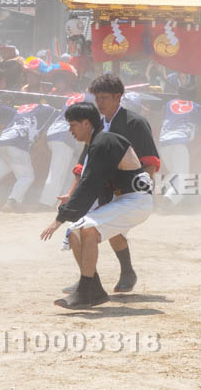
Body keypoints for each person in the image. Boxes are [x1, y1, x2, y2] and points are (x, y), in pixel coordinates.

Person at [40, 102, 153, 308]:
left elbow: (90, 184)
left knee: (86, 229)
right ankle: (94, 288)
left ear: (86, 123)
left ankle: (86, 291)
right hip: (123, 201)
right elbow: (91, 183)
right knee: (74, 231)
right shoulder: (96, 144)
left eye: (73, 125)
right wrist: (72, 203)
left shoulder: (104, 142)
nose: (70, 130)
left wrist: (59, 219)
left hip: (135, 200)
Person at [64, 74, 161, 294]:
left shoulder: (135, 122)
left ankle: (125, 272)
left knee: (107, 230)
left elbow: (150, 161)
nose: (100, 103)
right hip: (99, 188)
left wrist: (141, 192)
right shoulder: (96, 126)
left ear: (118, 97)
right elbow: (84, 164)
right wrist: (72, 193)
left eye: (105, 97)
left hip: (128, 190)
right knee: (82, 231)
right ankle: (88, 280)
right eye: (97, 98)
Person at [39, 92, 92, 209]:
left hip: (59, 131)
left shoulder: (79, 96)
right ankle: (45, 203)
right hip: (64, 133)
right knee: (57, 172)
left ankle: (64, 201)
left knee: (71, 171)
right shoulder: (94, 98)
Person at [157, 97, 201, 207]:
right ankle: (166, 202)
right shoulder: (198, 107)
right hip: (180, 143)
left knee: (175, 177)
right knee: (182, 181)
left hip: (163, 142)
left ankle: (164, 199)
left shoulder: (169, 102)